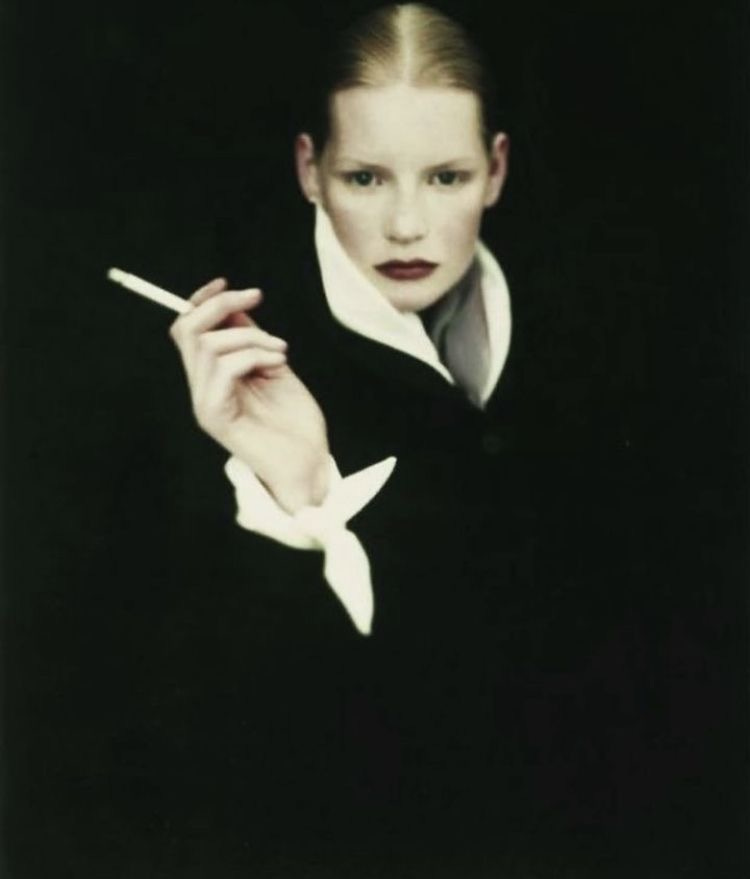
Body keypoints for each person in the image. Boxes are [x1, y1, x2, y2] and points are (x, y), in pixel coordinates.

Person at [163, 3, 644, 875]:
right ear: (310, 170)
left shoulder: (597, 329)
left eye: (447, 177)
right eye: (366, 178)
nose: (408, 227)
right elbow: (218, 742)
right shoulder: (233, 366)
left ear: (497, 170)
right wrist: (299, 489)